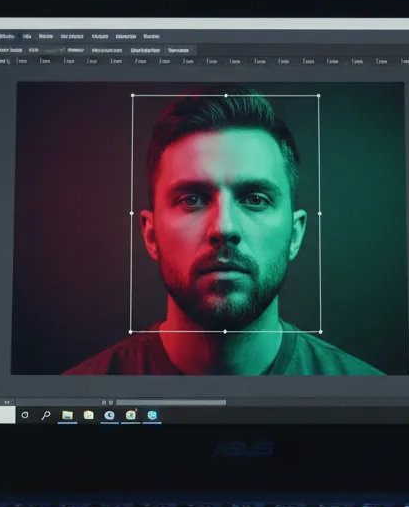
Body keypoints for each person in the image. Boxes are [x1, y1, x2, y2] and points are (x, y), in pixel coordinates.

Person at [65, 85, 383, 376]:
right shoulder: (72, 398)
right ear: (151, 235)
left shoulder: (373, 402)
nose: (224, 227)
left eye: (255, 199)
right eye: (192, 199)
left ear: (295, 235)